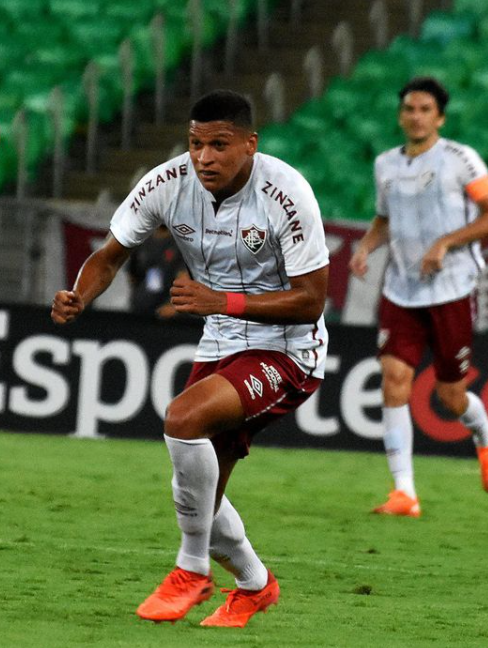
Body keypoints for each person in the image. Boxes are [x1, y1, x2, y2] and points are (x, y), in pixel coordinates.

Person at [52, 90, 328, 628]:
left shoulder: (287, 193)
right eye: (196, 143)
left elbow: (312, 298)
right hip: (220, 337)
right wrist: (80, 295)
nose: (204, 157)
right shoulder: (165, 183)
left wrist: (220, 300)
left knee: (182, 418)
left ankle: (192, 569)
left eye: (219, 145)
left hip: (290, 348)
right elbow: (109, 255)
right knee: (201, 492)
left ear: (250, 145)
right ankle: (254, 586)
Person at [350, 76, 488, 517]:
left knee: (451, 396)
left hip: (453, 288)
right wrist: (366, 247)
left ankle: (484, 439)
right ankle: (404, 493)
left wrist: (446, 242)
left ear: (440, 117)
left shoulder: (461, 160)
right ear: (400, 115)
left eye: (425, 109)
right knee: (394, 378)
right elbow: (384, 218)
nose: (415, 115)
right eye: (409, 108)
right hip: (401, 289)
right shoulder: (386, 164)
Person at [124, 224, 187, 318]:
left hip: (166, 311)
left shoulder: (180, 244)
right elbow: (132, 274)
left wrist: (174, 306)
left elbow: (184, 278)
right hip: (139, 309)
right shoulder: (141, 240)